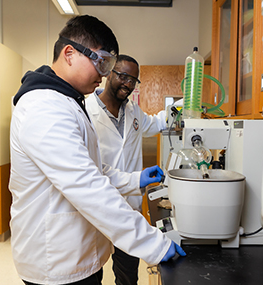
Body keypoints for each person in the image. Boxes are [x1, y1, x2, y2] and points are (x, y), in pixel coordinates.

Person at [9, 15, 185, 285]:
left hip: (77, 251)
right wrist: (154, 244)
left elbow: (92, 169)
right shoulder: (44, 108)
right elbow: (87, 186)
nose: (104, 75)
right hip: (55, 261)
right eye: (101, 62)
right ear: (69, 53)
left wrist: (134, 179)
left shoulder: (67, 101)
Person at [85, 55, 167, 285]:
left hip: (129, 208)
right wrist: (135, 178)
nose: (128, 84)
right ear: (109, 73)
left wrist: (182, 106)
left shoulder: (133, 111)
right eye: (123, 76)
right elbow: (91, 168)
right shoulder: (85, 112)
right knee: (93, 272)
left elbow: (155, 124)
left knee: (128, 276)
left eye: (133, 80)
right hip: (98, 207)